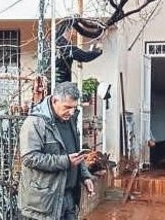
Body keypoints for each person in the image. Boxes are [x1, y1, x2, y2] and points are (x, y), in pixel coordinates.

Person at [18, 82, 95, 220]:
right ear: (54, 100)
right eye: (67, 107)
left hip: (69, 197)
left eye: (74, 107)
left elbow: (76, 153)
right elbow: (29, 158)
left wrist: (85, 176)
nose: (71, 112)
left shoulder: (70, 121)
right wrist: (65, 161)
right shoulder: (35, 122)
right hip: (44, 202)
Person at [53, 17, 103, 84]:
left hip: (53, 81)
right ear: (69, 29)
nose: (77, 31)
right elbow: (85, 57)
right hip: (61, 83)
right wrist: (98, 49)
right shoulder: (66, 46)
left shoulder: (56, 43)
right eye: (75, 28)